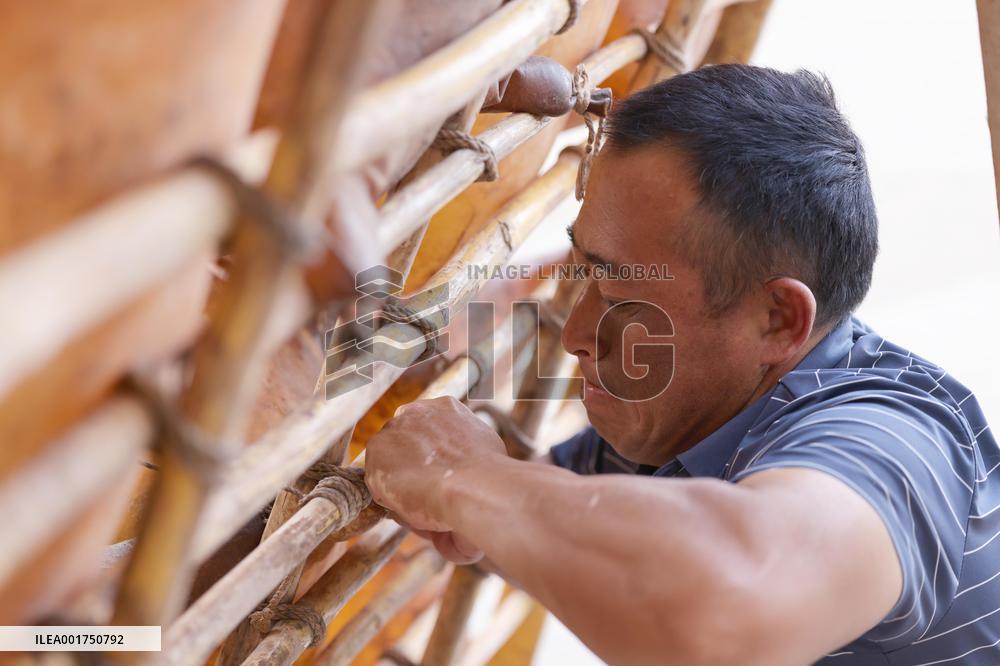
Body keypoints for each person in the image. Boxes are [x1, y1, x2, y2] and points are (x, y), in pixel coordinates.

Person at [363, 65, 999, 665]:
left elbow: (724, 613)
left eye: (620, 296)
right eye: (583, 273)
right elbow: (566, 524)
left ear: (777, 319)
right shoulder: (678, 424)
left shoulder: (893, 442)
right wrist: (470, 508)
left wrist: (463, 477)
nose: (578, 334)